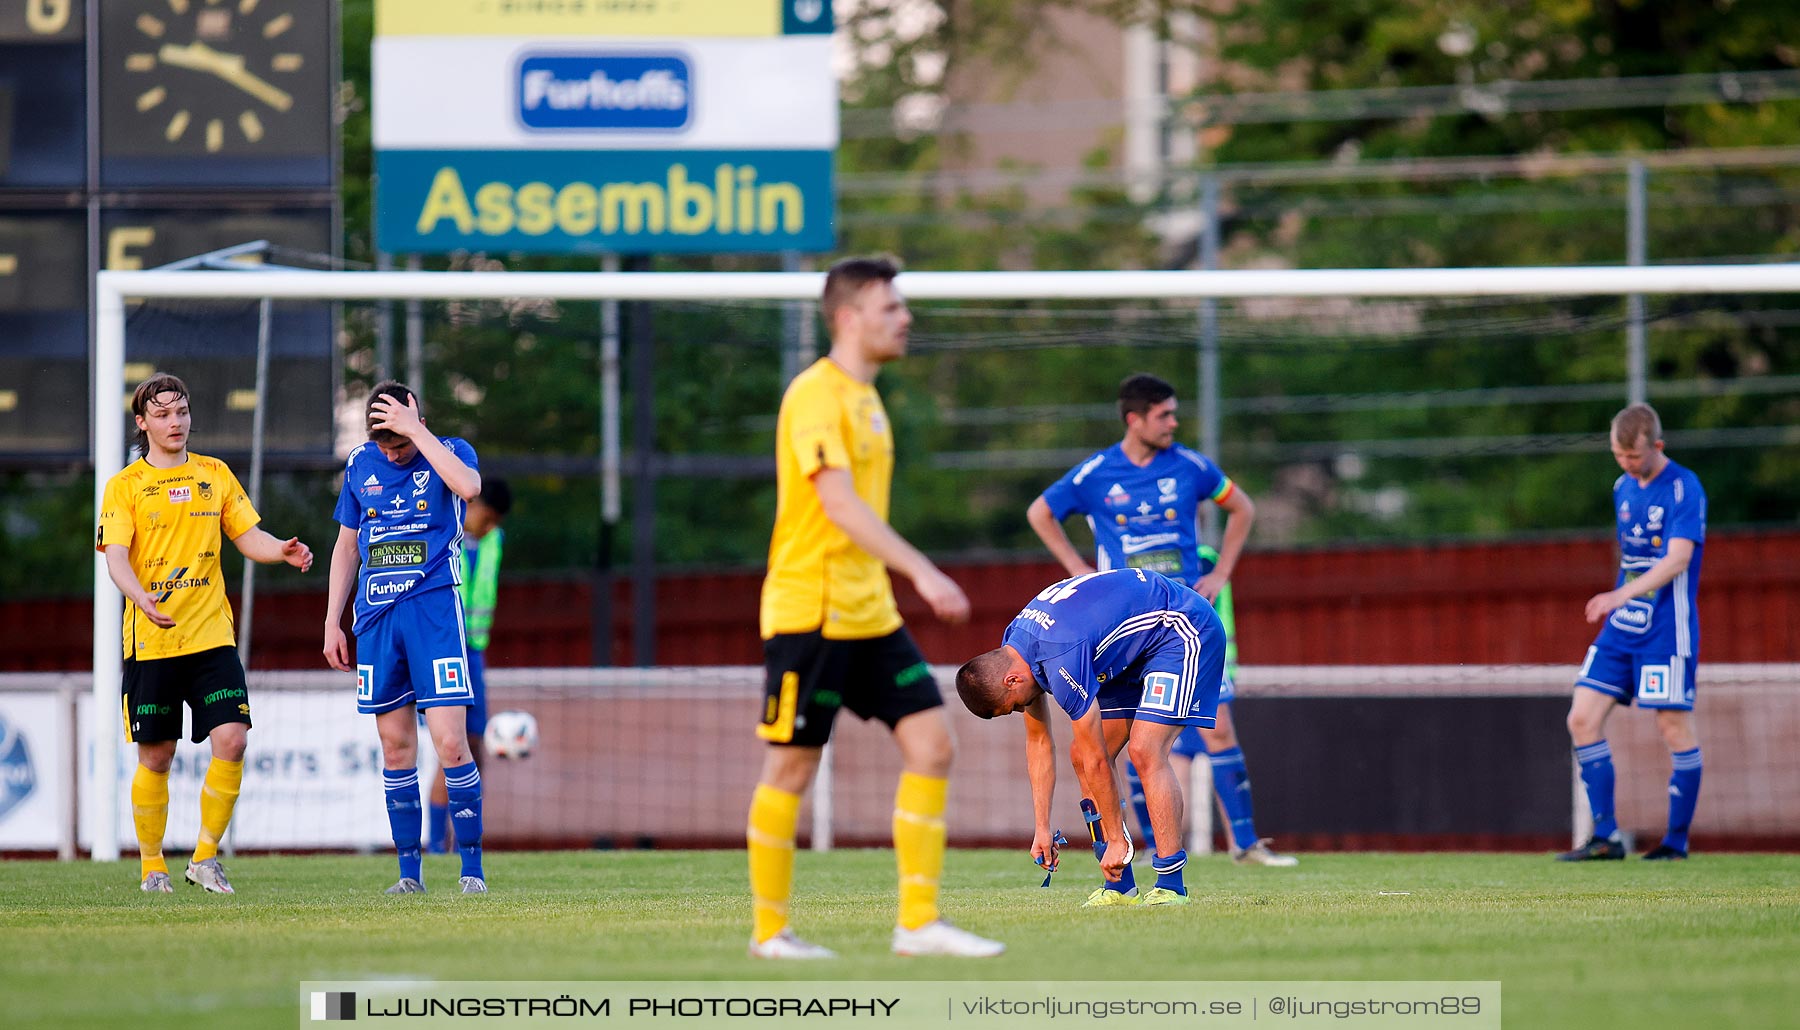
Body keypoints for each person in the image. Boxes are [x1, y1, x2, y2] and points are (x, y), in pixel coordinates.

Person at [748, 255, 1003, 959]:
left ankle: (917, 924)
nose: (905, 318)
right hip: (813, 613)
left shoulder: (869, 399)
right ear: (848, 317)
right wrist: (923, 571)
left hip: (869, 614)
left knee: (933, 745)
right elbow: (836, 504)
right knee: (792, 770)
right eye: (891, 307)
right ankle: (771, 935)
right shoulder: (816, 394)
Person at [1026, 372, 1295, 866]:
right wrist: (1077, 570)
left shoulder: (1190, 466)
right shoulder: (1094, 474)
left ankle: (1244, 843)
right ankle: (1143, 844)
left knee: (1218, 730)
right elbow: (1040, 512)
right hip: (1121, 634)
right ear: (1135, 419)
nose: (1174, 422)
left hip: (1181, 624)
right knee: (1120, 736)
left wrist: (1224, 572)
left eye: (1174, 413)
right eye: (1164, 414)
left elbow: (1243, 508)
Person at [97, 372, 313, 894]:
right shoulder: (124, 486)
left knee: (233, 740)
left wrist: (279, 548)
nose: (175, 422)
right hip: (152, 639)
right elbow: (117, 559)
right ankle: (153, 866)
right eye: (164, 414)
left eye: (182, 412)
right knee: (157, 756)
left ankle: (205, 858)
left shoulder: (214, 474)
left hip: (211, 636)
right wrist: (139, 596)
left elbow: (248, 536)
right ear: (143, 422)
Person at [955, 568, 1228, 907]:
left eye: (1010, 707)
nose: (1018, 710)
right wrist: (1042, 827)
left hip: (1181, 628)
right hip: (1130, 650)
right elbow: (1039, 743)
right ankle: (1120, 887)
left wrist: (1117, 838)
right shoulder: (1017, 648)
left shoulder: (1058, 656)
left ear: (1011, 681)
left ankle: (1171, 885)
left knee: (1145, 750)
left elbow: (1097, 755)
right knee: (1079, 756)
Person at [323, 381, 488, 894]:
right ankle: (409, 875)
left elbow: (469, 488)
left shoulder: (450, 451)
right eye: (386, 445)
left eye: (400, 442)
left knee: (450, 743)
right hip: (375, 619)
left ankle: (471, 871)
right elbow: (347, 546)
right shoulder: (358, 465)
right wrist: (333, 619)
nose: (393, 452)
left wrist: (416, 429)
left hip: (434, 611)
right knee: (396, 748)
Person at [1560, 403, 1706, 862]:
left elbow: (1678, 559)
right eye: (1618, 455)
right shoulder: (1622, 488)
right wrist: (1619, 603)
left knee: (1671, 726)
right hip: (1622, 630)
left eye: (1634, 457)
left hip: (1666, 630)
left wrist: (1619, 595)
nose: (1626, 465)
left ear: (1656, 446)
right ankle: (1605, 838)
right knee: (1581, 718)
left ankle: (1675, 843)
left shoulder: (1684, 488)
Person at [427, 477, 511, 855]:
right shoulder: (443, 532)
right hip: (446, 650)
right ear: (472, 505)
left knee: (476, 748)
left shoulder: (493, 540)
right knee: (450, 748)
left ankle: (467, 841)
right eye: (488, 517)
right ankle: (434, 843)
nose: (491, 526)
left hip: (474, 651)